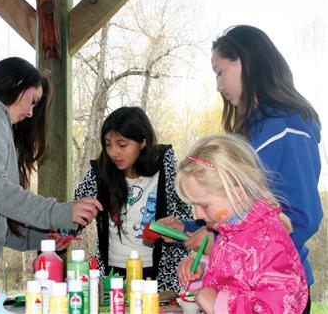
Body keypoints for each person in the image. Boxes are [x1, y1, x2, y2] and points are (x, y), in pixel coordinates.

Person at [0, 57, 103, 308]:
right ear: (19, 84)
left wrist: (38, 239)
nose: (31, 112)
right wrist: (59, 212)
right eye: (33, 101)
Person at [211, 24, 322, 312]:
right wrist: (197, 228)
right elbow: (242, 208)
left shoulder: (286, 128)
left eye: (220, 72)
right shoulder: (253, 131)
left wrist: (229, 247)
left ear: (245, 62)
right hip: (244, 287)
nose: (218, 86)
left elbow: (302, 216)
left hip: (278, 290)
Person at [176, 134, 308, 314]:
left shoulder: (268, 242)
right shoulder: (231, 231)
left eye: (204, 205)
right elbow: (236, 278)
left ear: (236, 195)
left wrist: (220, 305)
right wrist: (203, 271)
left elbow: (279, 308)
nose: (198, 214)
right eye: (194, 205)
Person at [71, 106, 192, 291]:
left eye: (122, 145)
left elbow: (184, 220)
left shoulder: (166, 169)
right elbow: (76, 211)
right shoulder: (101, 171)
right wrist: (62, 232)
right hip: (113, 273)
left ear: (143, 142)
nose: (113, 153)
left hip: (159, 275)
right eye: (108, 144)